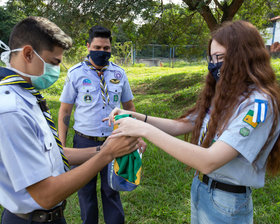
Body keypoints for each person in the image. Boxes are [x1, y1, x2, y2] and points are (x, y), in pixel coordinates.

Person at [106, 20, 280, 224]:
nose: (215, 65)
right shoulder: (225, 94)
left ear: (245, 56)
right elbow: (182, 125)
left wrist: (144, 130)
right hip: (202, 188)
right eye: (212, 58)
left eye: (221, 57)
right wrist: (137, 117)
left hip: (227, 200)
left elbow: (209, 161)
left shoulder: (259, 105)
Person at [0, 16, 139, 224]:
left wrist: (109, 147)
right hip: (30, 219)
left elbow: (52, 154)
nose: (56, 70)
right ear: (28, 54)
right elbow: (45, 195)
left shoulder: (28, 96)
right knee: (88, 196)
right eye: (54, 62)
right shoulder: (11, 111)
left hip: (51, 217)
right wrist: (108, 153)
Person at [58, 25, 144, 224]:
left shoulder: (119, 74)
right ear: (88, 46)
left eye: (106, 48)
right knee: (86, 192)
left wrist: (135, 134)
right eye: (97, 47)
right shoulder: (76, 73)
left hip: (114, 140)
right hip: (83, 141)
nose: (102, 52)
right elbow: (65, 111)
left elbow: (129, 106)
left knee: (112, 190)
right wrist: (62, 146)